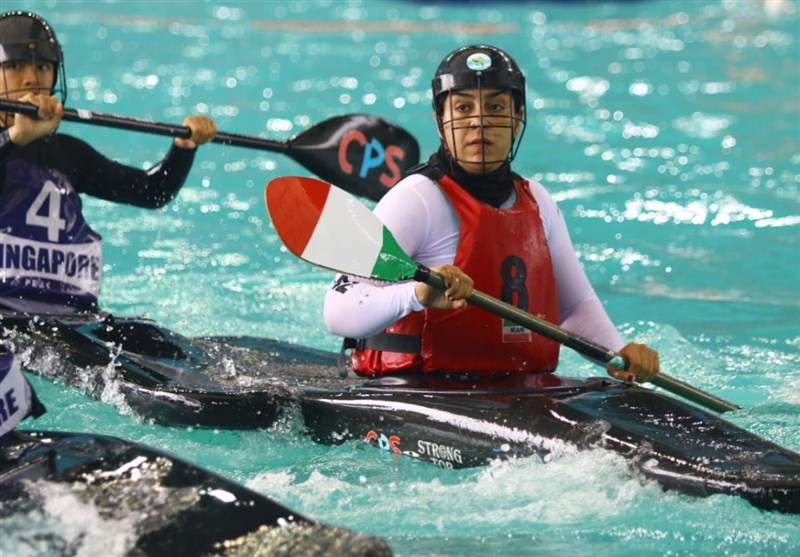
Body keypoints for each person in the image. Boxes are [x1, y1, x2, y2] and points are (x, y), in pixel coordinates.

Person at [324, 44, 660, 384]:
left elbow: (573, 309)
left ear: (517, 120)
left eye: (496, 107)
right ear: (441, 122)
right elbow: (339, 311)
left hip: (521, 386)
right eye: (463, 107)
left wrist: (620, 354)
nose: (479, 121)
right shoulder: (415, 200)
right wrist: (416, 294)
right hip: (420, 386)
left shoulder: (538, 201)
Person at [0, 10, 217, 314]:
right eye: (14, 65)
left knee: (157, 345)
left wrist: (184, 148)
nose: (31, 78)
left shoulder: (68, 154)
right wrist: (15, 137)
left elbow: (151, 192)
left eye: (43, 67)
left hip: (72, 318)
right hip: (6, 319)